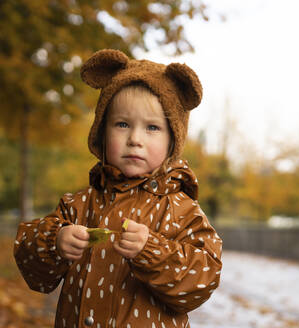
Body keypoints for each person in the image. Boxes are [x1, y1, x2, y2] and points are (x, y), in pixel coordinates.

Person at [14, 49, 222, 328]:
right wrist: (55, 242)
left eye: (152, 128)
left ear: (173, 140)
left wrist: (152, 250)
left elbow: (202, 281)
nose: (135, 139)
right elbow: (32, 267)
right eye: (122, 124)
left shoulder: (182, 211)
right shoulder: (78, 205)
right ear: (102, 131)